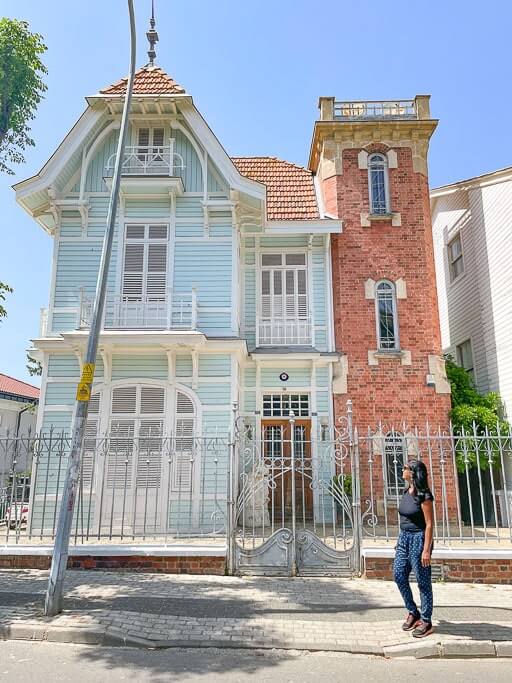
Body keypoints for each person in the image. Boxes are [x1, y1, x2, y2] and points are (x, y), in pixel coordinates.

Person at [393, 460, 434, 638]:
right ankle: (413, 611)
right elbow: (404, 519)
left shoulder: (424, 495)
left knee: (422, 581)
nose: (403, 470)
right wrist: (400, 541)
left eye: (406, 468)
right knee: (398, 575)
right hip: (404, 538)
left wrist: (426, 550)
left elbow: (430, 524)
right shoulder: (406, 492)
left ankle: (426, 620)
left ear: (414, 473)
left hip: (419, 538)